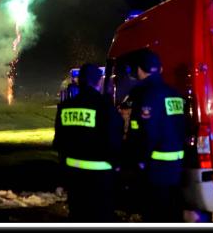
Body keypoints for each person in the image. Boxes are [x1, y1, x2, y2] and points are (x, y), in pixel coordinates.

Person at [53, 63, 124, 222]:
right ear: (99, 81)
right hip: (100, 177)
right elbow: (114, 139)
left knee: (78, 216)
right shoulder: (105, 107)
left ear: (79, 81)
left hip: (74, 176)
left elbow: (59, 143)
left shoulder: (65, 107)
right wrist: (118, 166)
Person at [124, 49, 187, 222]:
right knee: (173, 213)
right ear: (160, 69)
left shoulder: (147, 94)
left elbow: (147, 132)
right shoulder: (174, 93)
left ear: (139, 70)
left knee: (155, 214)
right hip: (177, 166)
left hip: (156, 168)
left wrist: (140, 160)